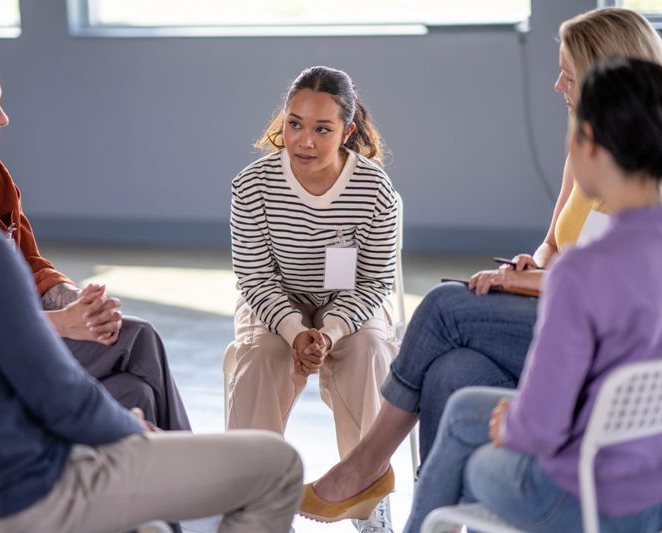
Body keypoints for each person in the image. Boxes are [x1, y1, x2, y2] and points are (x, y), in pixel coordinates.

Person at [0, 38, 303, 533]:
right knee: (278, 464)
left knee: (138, 406)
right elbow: (60, 399)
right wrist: (132, 433)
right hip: (37, 490)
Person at [299, 8, 662, 525]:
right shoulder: (596, 155)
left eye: (568, 73)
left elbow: (589, 286)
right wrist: (528, 267)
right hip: (631, 455)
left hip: (582, 381)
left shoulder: (629, 191)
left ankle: (366, 466)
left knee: (446, 308)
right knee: (455, 373)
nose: (557, 84)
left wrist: (528, 283)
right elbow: (555, 250)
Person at [399, 56, 662, 532]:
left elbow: (541, 427)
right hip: (653, 490)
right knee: (463, 405)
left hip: (578, 496)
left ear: (590, 147)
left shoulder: (581, 272)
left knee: (472, 456)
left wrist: (512, 424)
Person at [0, 42, 190, 431]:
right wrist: (62, 323)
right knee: (138, 338)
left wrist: (76, 301)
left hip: (23, 342)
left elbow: (29, 262)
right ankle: (191, 472)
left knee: (135, 393)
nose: (4, 118)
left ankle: (156, 482)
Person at [224, 65, 400, 532]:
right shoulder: (253, 185)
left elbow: (374, 282)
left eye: (322, 129)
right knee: (259, 355)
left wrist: (330, 331)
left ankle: (367, 494)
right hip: (275, 300)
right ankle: (255, 500)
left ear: (348, 131)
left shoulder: (376, 190)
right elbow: (255, 277)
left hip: (350, 303)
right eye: (295, 123)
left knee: (369, 351)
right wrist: (296, 332)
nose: (304, 140)